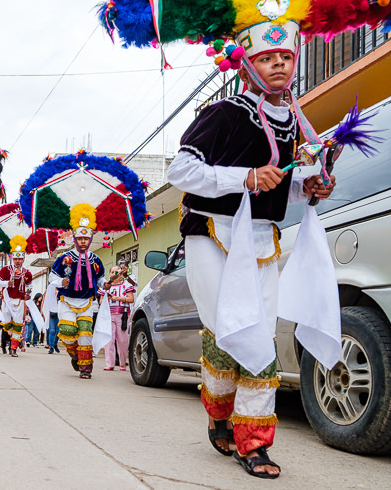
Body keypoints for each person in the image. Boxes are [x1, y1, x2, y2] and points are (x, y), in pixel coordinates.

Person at [166, 15, 337, 479]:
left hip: (262, 238)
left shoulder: (296, 123)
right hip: (212, 234)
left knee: (259, 340)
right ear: (247, 66)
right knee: (226, 331)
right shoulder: (225, 113)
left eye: (285, 57)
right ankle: (219, 414)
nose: (278, 65)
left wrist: (309, 189)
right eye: (267, 57)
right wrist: (244, 176)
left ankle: (254, 441)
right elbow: (179, 171)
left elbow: (279, 189)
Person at [49, 214, 110, 378]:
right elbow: (52, 277)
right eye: (80, 238)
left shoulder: (96, 259)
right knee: (67, 331)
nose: (83, 241)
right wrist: (62, 282)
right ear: (75, 239)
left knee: (85, 335)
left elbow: (100, 279)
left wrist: (106, 285)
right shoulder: (64, 258)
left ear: (90, 240)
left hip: (87, 302)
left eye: (86, 238)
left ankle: (86, 368)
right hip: (67, 301)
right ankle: (75, 355)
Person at [0, 248, 33, 357]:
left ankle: (13, 348)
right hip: (7, 300)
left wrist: (28, 294)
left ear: (23, 259)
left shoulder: (27, 272)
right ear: (12, 259)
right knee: (6, 324)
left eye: (20, 259)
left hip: (19, 301)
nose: (18, 261)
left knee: (18, 324)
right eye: (16, 259)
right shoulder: (5, 270)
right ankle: (12, 340)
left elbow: (29, 286)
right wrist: (7, 283)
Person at [103, 266, 135, 371]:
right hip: (109, 315)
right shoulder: (107, 286)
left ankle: (122, 363)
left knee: (122, 340)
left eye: (116, 272)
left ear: (120, 274)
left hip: (122, 315)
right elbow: (100, 301)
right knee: (109, 340)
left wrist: (119, 298)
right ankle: (110, 363)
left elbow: (131, 299)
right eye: (112, 272)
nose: (114, 274)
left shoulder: (126, 285)